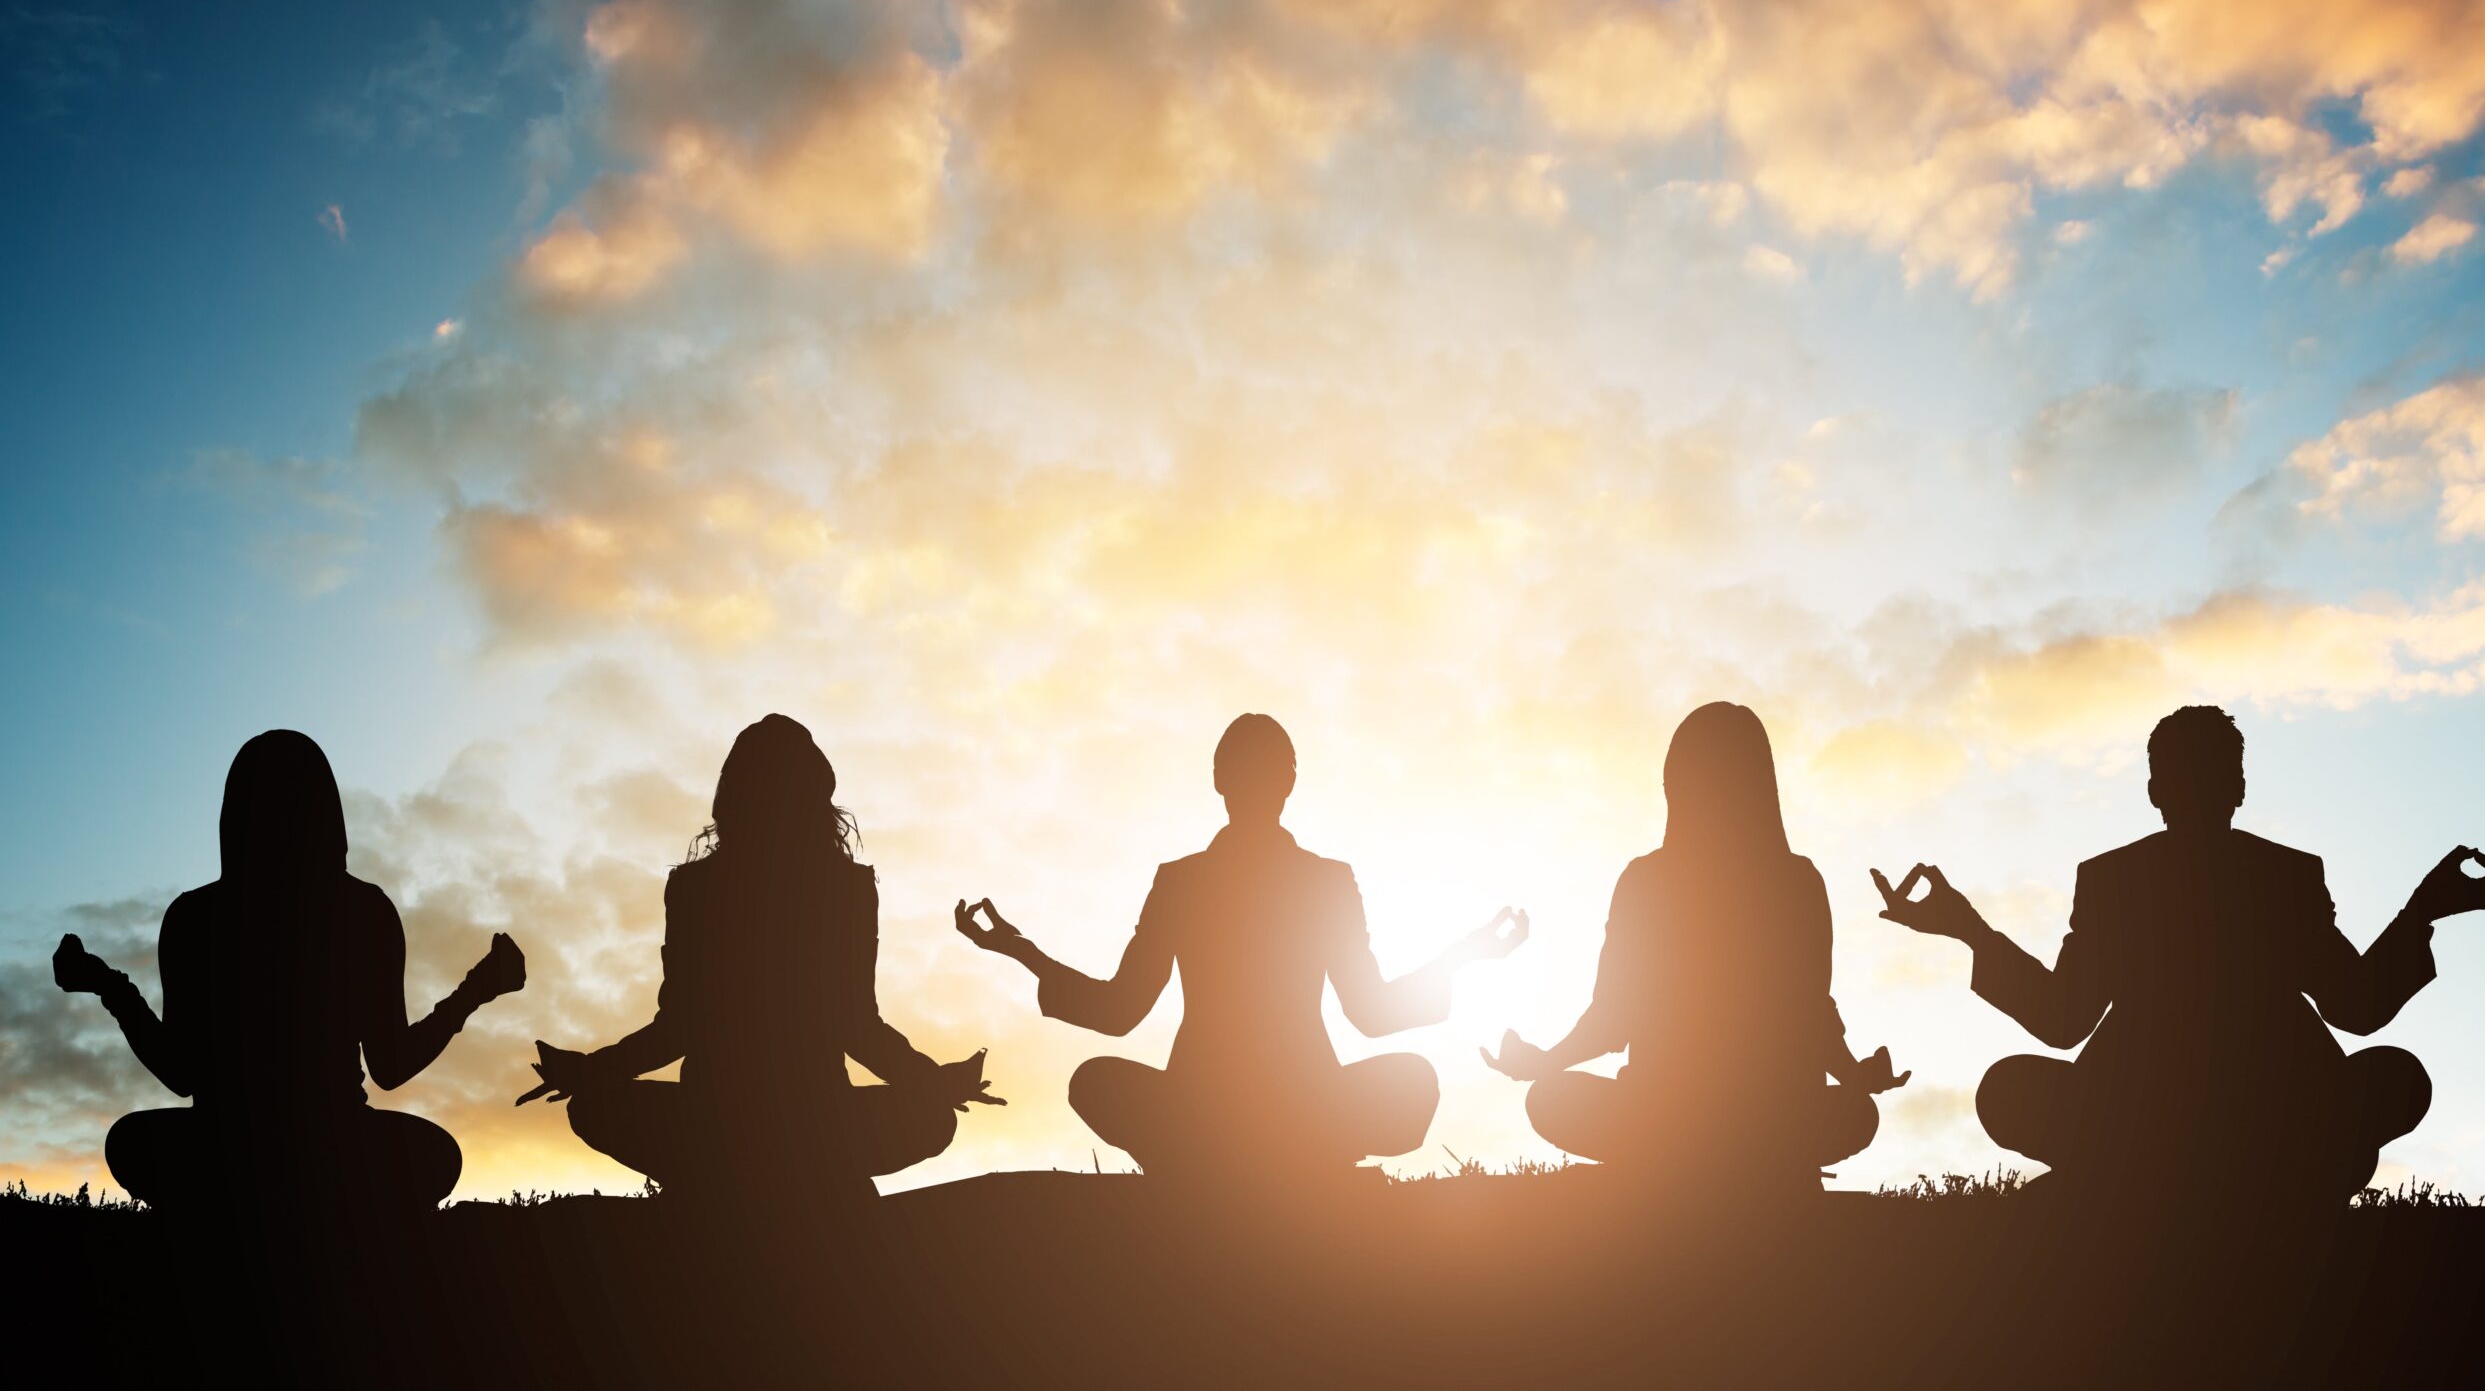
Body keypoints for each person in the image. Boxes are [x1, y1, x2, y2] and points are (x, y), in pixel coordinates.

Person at [1874, 704, 2485, 1205]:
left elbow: (2060, 1019)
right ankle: (2261, 1178)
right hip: (2240, 1122)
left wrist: (1971, 930)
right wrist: (2421, 912)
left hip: (2186, 1120)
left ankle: (2127, 1179)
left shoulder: (2121, 877)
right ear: (2237, 787)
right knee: (2394, 1079)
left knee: (2010, 1088)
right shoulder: (2281, 873)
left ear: (2157, 790)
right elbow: (2357, 1005)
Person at [955, 712, 1526, 1181]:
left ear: (1220, 781)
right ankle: (1301, 1160)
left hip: (1221, 1110)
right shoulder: (1313, 880)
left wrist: (1020, 950)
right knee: (1415, 1080)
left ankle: (1207, 1163)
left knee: (1093, 1081)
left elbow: (1117, 1010)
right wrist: (1464, 957)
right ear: (1288, 782)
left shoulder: (1192, 880)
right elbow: (1371, 1014)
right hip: (1289, 1109)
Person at [521, 714, 997, 1200]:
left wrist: (589, 1073)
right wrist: (932, 1083)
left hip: (715, 1126)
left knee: (590, 1107)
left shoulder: (695, 888)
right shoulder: (846, 888)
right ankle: (814, 1175)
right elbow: (858, 1026)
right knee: (932, 1120)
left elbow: (677, 1027)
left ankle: (718, 1178)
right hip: (816, 1127)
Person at [52, 729, 523, 1216]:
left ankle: (234, 1208)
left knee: (130, 1142)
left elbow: (179, 1072)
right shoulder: (363, 910)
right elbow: (392, 1066)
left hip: (225, 1150)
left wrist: (108, 986)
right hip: (334, 1153)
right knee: (435, 1156)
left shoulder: (195, 916)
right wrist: (476, 990)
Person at [1481, 702, 1904, 1186]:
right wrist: (1854, 1078)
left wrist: (1545, 1063)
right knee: (1857, 1114)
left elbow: (1612, 1017)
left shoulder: (1646, 881)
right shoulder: (1801, 882)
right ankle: (1758, 1162)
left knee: (1549, 1098)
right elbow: (1813, 1016)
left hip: (1665, 1122)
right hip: (1774, 1127)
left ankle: (1672, 1160)